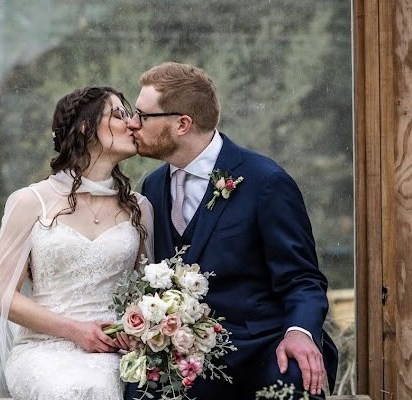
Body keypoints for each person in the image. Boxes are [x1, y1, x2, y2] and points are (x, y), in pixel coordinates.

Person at [126, 62, 338, 399]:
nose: (131, 124)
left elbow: (303, 280)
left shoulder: (265, 182)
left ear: (182, 124)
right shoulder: (151, 186)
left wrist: (299, 332)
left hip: (260, 349)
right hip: (186, 355)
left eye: (142, 115)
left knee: (292, 380)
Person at [0, 87, 153, 400]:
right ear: (84, 127)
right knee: (66, 388)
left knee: (107, 385)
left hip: (113, 350)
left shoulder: (139, 208)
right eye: (118, 114)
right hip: (43, 349)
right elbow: (2, 296)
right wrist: (76, 330)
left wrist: (133, 331)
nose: (132, 123)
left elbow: (145, 291)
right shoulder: (30, 202)